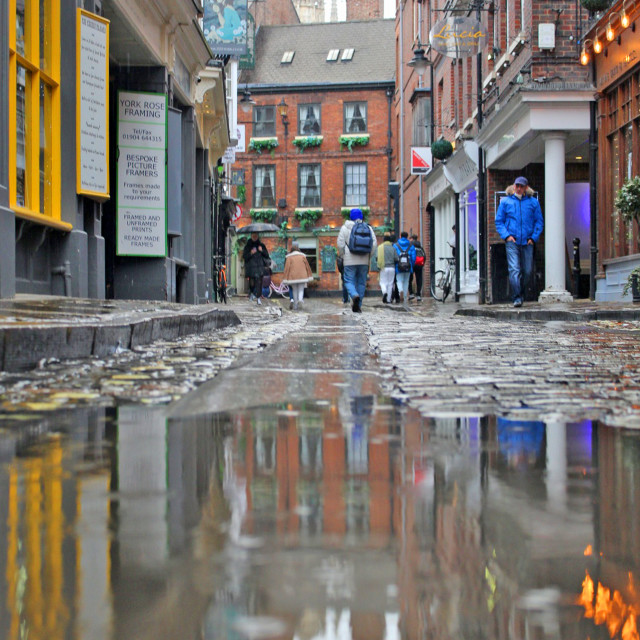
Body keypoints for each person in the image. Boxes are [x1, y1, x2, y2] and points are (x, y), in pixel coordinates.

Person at [495, 176, 544, 308]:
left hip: (527, 241)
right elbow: (499, 221)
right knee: (514, 269)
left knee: (527, 271)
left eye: (521, 186)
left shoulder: (533, 203)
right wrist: (507, 236)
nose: (519, 188)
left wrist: (533, 238)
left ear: (526, 188)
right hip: (512, 241)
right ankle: (516, 297)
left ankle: (520, 293)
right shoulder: (506, 202)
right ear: (514, 186)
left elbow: (539, 221)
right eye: (517, 185)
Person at [337, 208, 377, 313]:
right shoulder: (368, 228)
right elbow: (374, 244)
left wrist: (342, 255)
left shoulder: (345, 228)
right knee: (361, 283)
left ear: (350, 217)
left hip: (349, 260)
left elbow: (340, 244)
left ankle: (354, 295)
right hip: (364, 260)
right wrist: (369, 256)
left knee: (348, 281)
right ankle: (358, 306)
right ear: (362, 217)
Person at [282, 241, 313, 310]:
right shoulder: (302, 256)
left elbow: (287, 268)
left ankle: (295, 305)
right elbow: (307, 266)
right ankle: (300, 300)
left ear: (292, 247)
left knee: (294, 290)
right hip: (302, 275)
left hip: (292, 276)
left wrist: (285, 278)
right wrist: (309, 275)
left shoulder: (289, 257)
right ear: (298, 247)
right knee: (301, 289)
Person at [242, 231, 270, 305]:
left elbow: (267, 255)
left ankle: (258, 298)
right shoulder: (248, 246)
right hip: (251, 267)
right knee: (252, 283)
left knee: (259, 283)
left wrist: (262, 251)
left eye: (256, 235)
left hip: (260, 266)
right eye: (253, 235)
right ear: (251, 236)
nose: (255, 236)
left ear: (258, 236)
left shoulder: (261, 245)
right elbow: (244, 256)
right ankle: (251, 293)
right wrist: (251, 253)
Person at [393, 231, 416, 304]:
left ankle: (400, 292)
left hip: (398, 267)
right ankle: (405, 296)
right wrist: (411, 264)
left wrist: (396, 264)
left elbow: (394, 256)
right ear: (407, 237)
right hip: (408, 267)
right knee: (406, 281)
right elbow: (413, 257)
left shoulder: (396, 245)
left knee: (399, 280)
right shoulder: (411, 245)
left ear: (400, 236)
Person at [376, 234, 396, 304]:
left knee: (382, 282)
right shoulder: (393, 248)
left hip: (383, 267)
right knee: (390, 284)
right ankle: (388, 300)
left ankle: (384, 292)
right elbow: (396, 258)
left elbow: (376, 257)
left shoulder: (380, 247)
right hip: (392, 268)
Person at [409, 234, 426, 301]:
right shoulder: (420, 247)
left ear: (412, 239)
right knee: (419, 279)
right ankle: (418, 295)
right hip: (419, 264)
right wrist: (422, 264)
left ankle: (411, 294)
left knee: (410, 279)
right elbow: (424, 256)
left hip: (412, 264)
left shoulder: (410, 246)